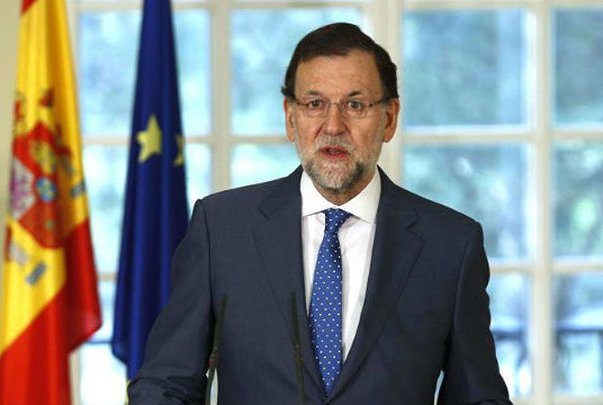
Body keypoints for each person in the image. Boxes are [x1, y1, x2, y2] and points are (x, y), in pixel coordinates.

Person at [128, 22, 512, 405]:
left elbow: (479, 397)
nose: (333, 125)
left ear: (390, 118)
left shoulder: (450, 246)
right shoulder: (222, 229)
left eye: (355, 105)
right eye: (315, 104)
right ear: (290, 117)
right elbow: (165, 385)